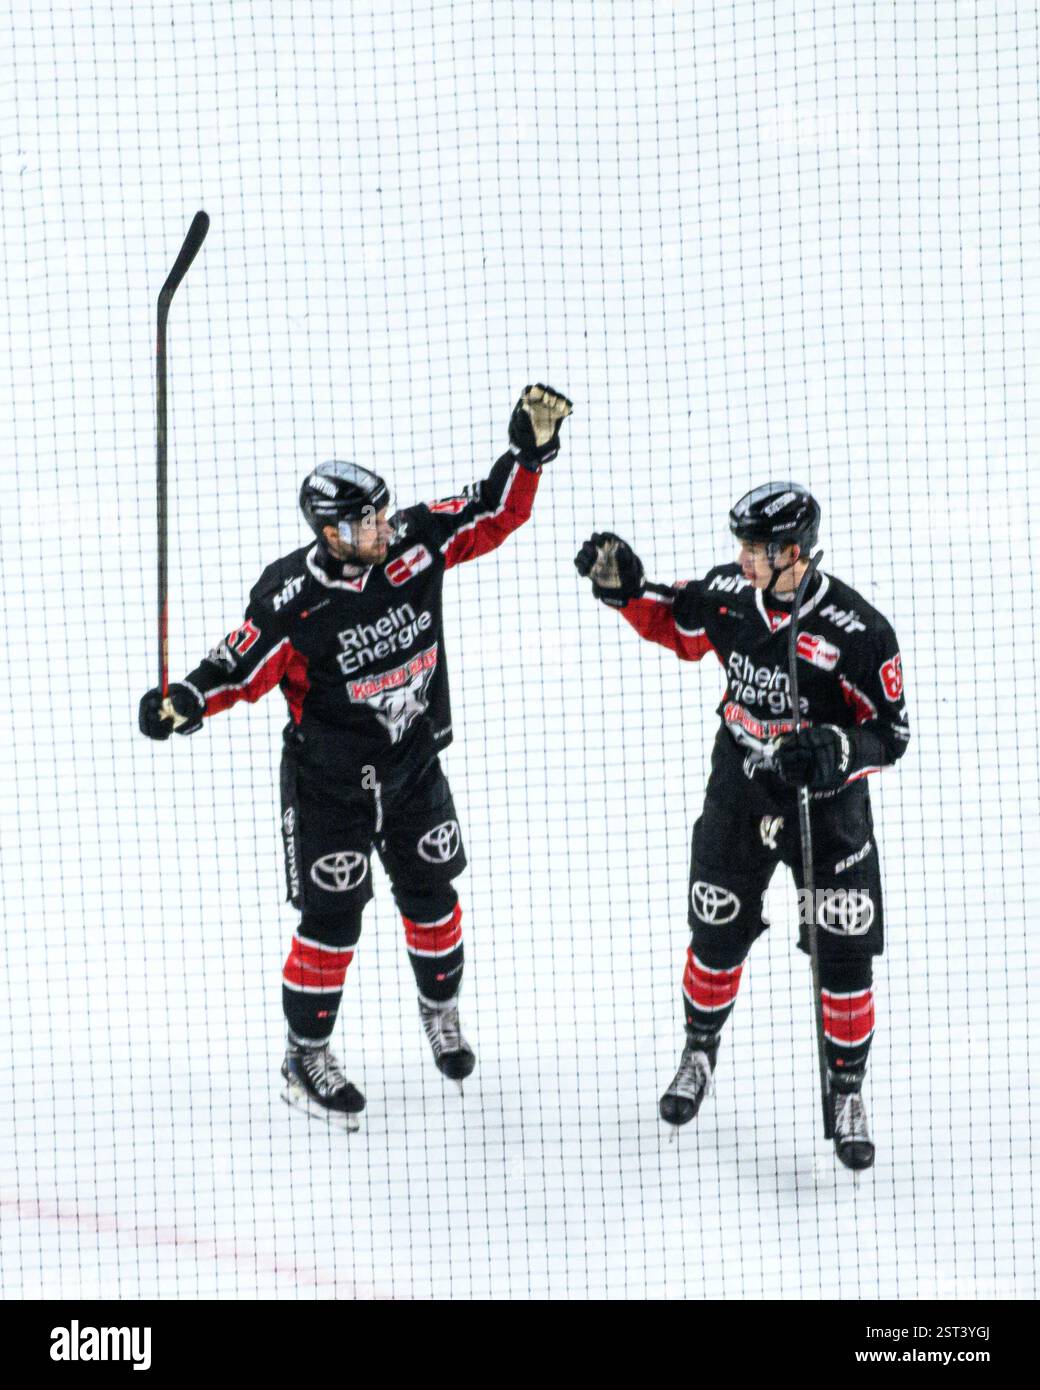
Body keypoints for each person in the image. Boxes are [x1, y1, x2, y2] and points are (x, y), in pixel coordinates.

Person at [140, 385, 572, 1130]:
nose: (383, 524)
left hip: (412, 769)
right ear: (333, 532)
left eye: (382, 511)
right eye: (367, 519)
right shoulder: (292, 598)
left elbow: (493, 513)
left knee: (433, 900)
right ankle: (305, 1054)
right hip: (327, 787)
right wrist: (184, 700)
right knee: (332, 922)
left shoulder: (414, 543)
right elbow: (236, 666)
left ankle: (441, 1014)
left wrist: (528, 452)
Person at [575, 483, 909, 1169]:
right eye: (742, 546)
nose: (743, 557)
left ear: (795, 552)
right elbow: (677, 619)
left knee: (843, 951)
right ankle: (698, 1052)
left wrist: (836, 751)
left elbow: (891, 734)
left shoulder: (859, 630)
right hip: (741, 793)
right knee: (716, 927)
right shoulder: (733, 593)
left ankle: (846, 1090)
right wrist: (623, 588)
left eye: (756, 548)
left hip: (827, 810)